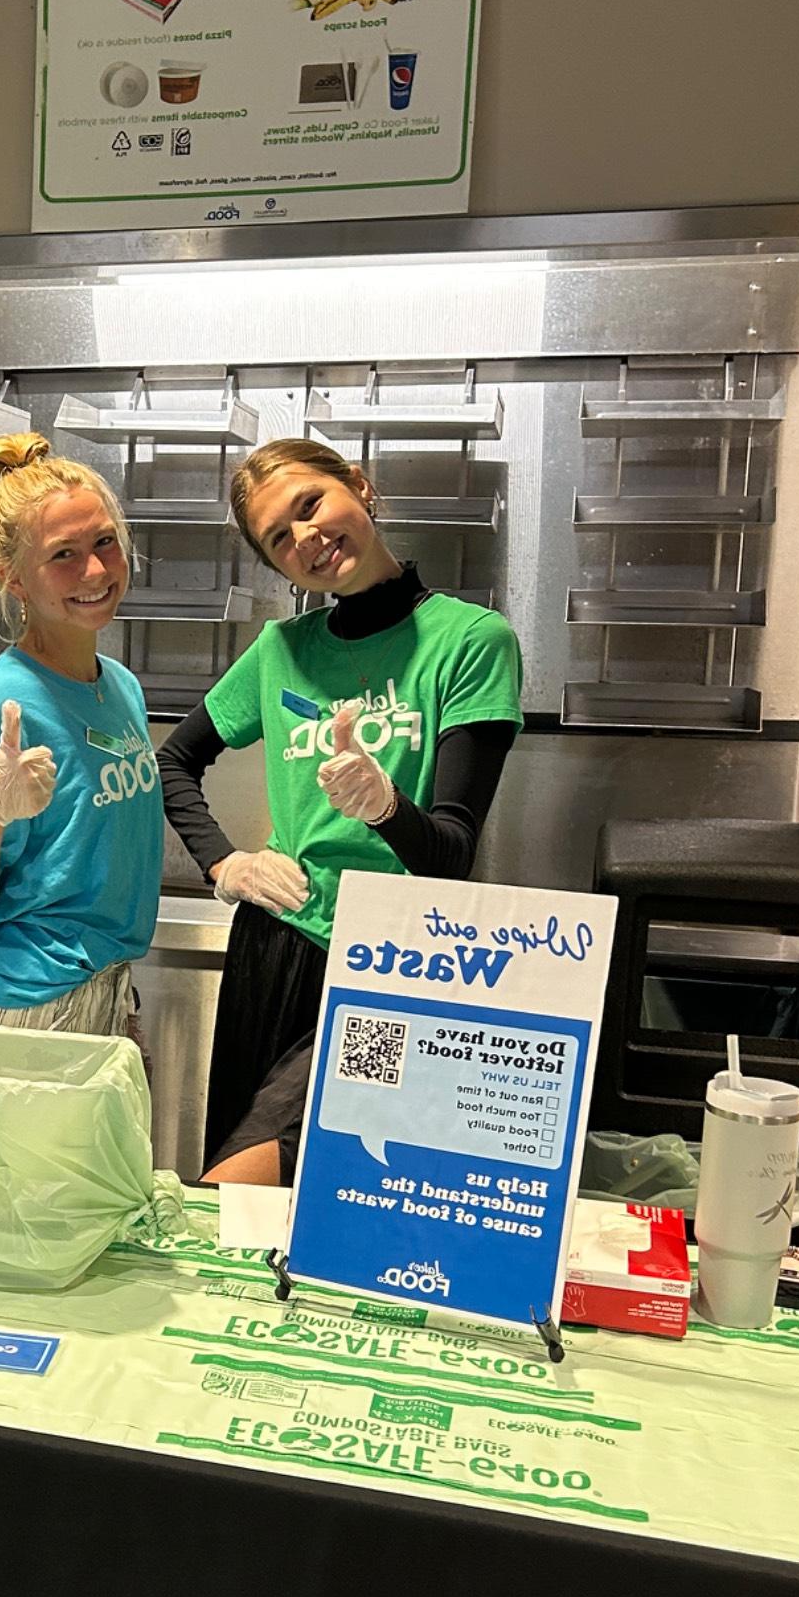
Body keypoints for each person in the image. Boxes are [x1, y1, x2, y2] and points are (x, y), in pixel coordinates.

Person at [159, 436, 522, 1183]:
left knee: (278, 1173)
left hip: (390, 968)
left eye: (310, 505)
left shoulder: (471, 642)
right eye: (279, 539)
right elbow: (174, 762)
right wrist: (226, 864)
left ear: (358, 486)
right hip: (274, 946)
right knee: (252, 1205)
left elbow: (451, 855)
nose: (306, 540)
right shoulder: (280, 650)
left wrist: (385, 807)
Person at [0, 432, 162, 1034]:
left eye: (106, 542)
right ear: (16, 579)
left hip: (100, 986)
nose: (97, 570)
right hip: (21, 1006)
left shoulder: (121, 687)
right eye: (64, 554)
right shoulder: (1, 708)